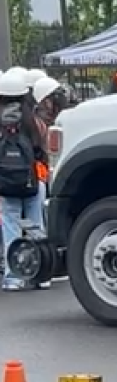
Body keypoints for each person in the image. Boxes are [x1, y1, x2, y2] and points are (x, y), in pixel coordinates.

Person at [0, 69, 47, 293]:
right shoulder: (33, 121)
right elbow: (41, 149)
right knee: (37, 226)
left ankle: (13, 277)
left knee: (11, 227)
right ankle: (41, 274)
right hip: (32, 180)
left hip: (6, 182)